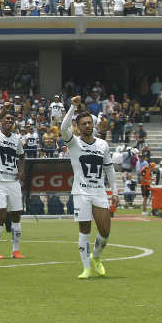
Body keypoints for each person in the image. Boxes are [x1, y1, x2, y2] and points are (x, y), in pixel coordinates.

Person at [61, 96, 119, 280]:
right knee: (84, 230)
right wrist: (73, 106)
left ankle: (96, 257)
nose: (87, 126)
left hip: (99, 192)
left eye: (89, 123)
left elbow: (109, 169)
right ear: (77, 127)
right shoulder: (74, 142)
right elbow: (63, 128)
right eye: (83, 123)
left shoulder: (102, 144)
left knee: (105, 232)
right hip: (81, 192)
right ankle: (86, 268)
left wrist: (115, 191)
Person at [0, 101, 25, 259]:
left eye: (12, 119)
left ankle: (15, 250)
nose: (9, 121)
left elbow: (22, 156)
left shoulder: (17, 139)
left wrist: (21, 171)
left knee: (16, 216)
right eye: (6, 119)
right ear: (1, 121)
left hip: (13, 182)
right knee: (1, 216)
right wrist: (3, 110)